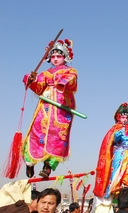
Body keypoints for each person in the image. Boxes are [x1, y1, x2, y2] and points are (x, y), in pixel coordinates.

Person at [22, 39, 77, 178]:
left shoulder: (70, 71)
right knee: (36, 132)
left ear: (65, 57)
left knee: (57, 138)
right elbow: (39, 87)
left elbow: (70, 81)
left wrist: (61, 83)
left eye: (59, 56)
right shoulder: (45, 74)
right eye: (53, 56)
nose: (56, 59)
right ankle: (30, 162)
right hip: (45, 108)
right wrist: (31, 80)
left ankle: (48, 167)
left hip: (61, 108)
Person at [92, 103, 128, 213]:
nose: (125, 119)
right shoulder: (114, 129)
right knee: (116, 175)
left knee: (127, 178)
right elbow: (110, 141)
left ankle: (125, 193)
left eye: (127, 117)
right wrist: (117, 136)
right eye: (123, 116)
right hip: (118, 155)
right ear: (118, 117)